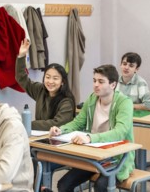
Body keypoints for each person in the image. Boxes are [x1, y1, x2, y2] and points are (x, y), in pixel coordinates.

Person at [50, 64, 135, 192]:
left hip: (117, 159)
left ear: (113, 85)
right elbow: (78, 122)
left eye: (101, 82)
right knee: (64, 185)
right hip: (93, 156)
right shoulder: (92, 99)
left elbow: (120, 132)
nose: (96, 85)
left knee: (101, 186)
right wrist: (61, 130)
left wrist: (90, 138)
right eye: (94, 81)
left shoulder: (124, 102)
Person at [16, 39, 76, 131]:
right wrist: (21, 56)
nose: (50, 81)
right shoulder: (40, 90)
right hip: (38, 138)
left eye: (55, 78)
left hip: (58, 141)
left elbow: (56, 123)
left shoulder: (66, 101)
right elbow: (22, 78)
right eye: (47, 77)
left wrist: (27, 123)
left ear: (62, 82)